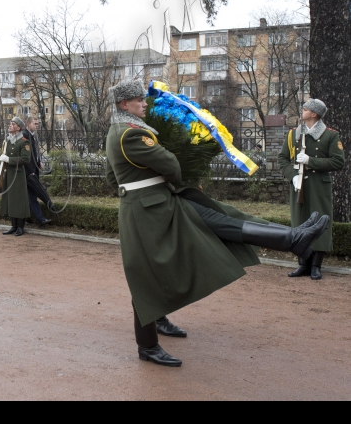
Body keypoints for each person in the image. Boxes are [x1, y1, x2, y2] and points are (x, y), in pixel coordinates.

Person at [105, 80, 331, 368]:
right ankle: (147, 346)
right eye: (139, 100)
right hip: (150, 211)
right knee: (147, 277)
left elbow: (113, 177)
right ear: (125, 105)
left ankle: (292, 237)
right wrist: (168, 180)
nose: (144, 103)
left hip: (156, 204)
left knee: (223, 220)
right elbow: (171, 164)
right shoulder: (131, 135)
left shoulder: (119, 131)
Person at [278, 99, 345, 281]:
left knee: (320, 223)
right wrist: (293, 176)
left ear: (314, 114)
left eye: (306, 109)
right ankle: (303, 264)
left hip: (319, 186)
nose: (303, 110)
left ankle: (316, 266)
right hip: (299, 185)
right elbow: (282, 158)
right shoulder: (294, 135)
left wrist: (310, 161)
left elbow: (339, 162)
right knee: (300, 221)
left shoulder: (330, 135)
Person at [0, 117, 32, 237]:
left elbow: (25, 159)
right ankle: (13, 226)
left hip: (18, 174)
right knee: (11, 200)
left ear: (18, 127)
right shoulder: (8, 141)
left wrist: (9, 159)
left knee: (19, 200)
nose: (10, 126)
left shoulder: (24, 141)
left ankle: (20, 227)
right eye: (10, 124)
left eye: (12, 124)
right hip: (9, 173)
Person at [22, 116, 51, 227]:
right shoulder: (25, 135)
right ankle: (40, 219)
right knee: (32, 195)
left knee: (30, 195)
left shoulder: (33, 135)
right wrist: (31, 171)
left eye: (38, 123)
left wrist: (39, 162)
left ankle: (26, 218)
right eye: (35, 123)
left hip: (34, 171)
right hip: (29, 173)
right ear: (28, 124)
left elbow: (34, 153)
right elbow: (26, 156)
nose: (37, 125)